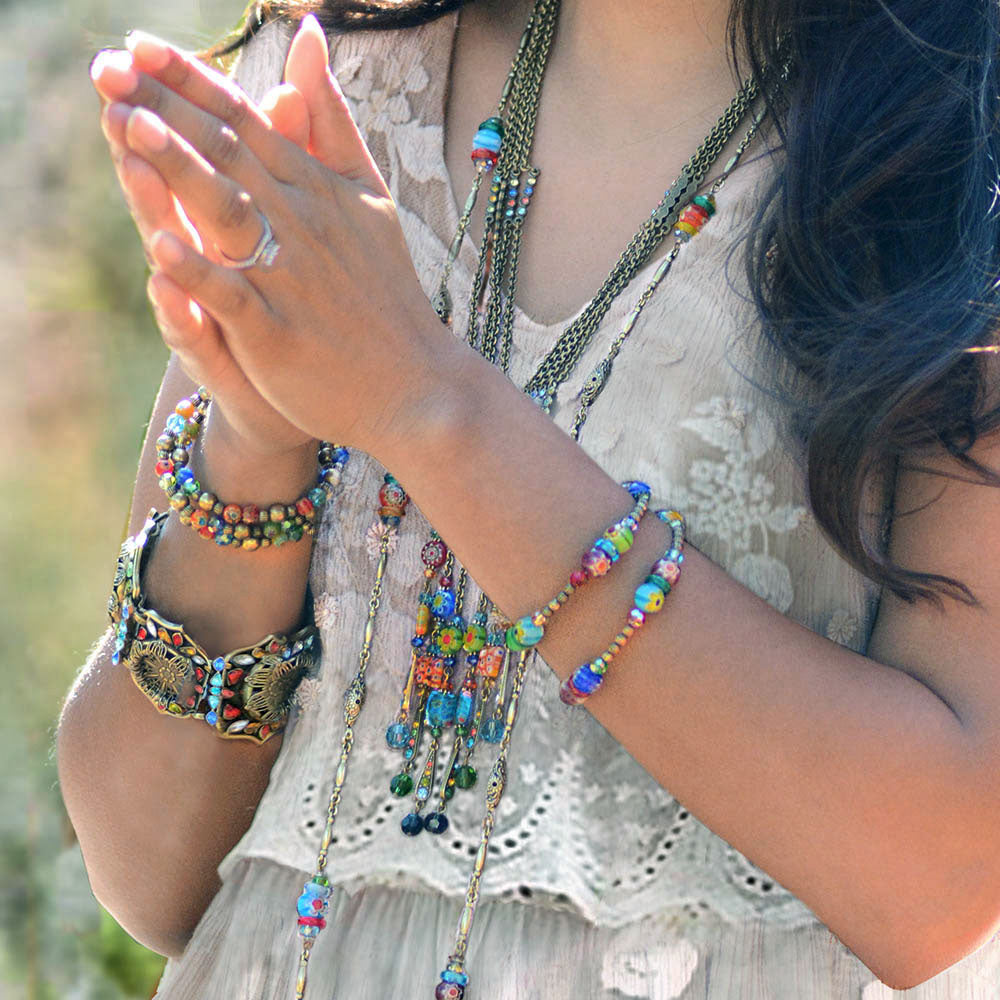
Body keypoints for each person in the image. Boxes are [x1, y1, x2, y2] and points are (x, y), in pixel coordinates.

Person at [60, 0, 1000, 996]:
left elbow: (939, 885)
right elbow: (151, 879)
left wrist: (428, 403)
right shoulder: (332, 84)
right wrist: (254, 446)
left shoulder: (959, 169)